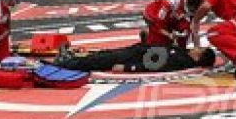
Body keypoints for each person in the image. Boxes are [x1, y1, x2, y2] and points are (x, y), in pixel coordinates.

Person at [53, 42, 217, 73]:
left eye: (199, 49)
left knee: (101, 61)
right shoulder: (183, 54)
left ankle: (66, 63)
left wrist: (128, 68)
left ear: (198, 56)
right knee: (104, 55)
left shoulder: (180, 61)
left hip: (135, 58)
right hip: (138, 51)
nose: (197, 47)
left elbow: (154, 65)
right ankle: (70, 59)